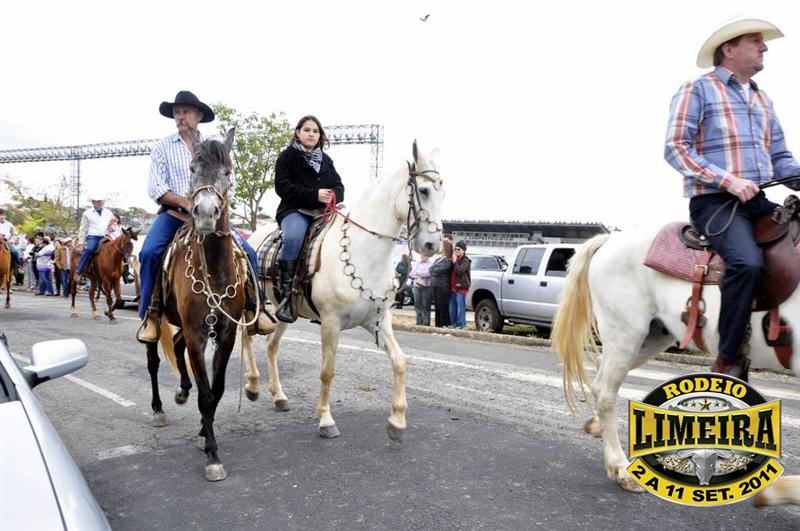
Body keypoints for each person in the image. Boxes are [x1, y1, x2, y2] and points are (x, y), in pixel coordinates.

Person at [664, 17, 800, 379]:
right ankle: (727, 358)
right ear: (729, 49)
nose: (764, 47)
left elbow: (781, 158)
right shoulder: (697, 89)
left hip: (757, 202)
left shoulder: (762, 98)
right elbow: (676, 148)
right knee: (747, 263)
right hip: (716, 203)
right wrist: (729, 181)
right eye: (756, 40)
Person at [137, 90, 273, 342]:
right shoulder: (162, 147)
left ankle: (256, 308)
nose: (180, 117)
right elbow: (156, 188)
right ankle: (150, 316)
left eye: (186, 112)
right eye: (177, 112)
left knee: (249, 253)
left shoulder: (215, 148)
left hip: (212, 215)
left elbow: (228, 181)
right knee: (149, 253)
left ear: (198, 115)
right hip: (175, 215)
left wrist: (213, 200)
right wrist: (186, 203)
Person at [273, 115, 345, 323]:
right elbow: (282, 187)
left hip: (323, 213)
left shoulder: (326, 160)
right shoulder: (287, 156)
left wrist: (333, 195)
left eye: (315, 131)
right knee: (294, 238)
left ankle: (329, 296)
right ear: (298, 132)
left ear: (320, 135)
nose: (311, 134)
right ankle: (286, 295)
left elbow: (339, 186)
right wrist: (315, 195)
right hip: (295, 210)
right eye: (307, 130)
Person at [75, 196, 115, 279]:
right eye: (97, 201)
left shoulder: (109, 212)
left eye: (100, 201)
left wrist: (112, 227)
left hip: (106, 237)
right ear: (93, 202)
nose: (99, 203)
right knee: (89, 249)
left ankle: (125, 272)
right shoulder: (87, 213)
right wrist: (81, 243)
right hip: (93, 237)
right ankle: (79, 270)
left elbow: (113, 223)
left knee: (118, 248)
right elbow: (83, 229)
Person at [429, 240, 454, 328]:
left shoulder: (449, 261)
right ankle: (437, 324)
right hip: (435, 285)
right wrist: (434, 269)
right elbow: (430, 269)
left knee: (442, 306)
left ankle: (444, 325)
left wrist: (434, 269)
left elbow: (440, 270)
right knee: (437, 307)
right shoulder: (438, 259)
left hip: (443, 286)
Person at [449, 240, 471, 328]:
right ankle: (453, 323)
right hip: (453, 287)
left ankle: (461, 325)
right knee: (452, 307)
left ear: (464, 251)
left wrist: (454, 262)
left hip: (461, 288)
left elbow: (460, 271)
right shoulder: (454, 260)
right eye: (455, 249)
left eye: (459, 249)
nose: (456, 251)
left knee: (460, 307)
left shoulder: (466, 261)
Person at [409, 253, 434, 326]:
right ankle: (419, 322)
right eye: (421, 254)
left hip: (427, 286)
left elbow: (428, 273)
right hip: (417, 286)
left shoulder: (431, 263)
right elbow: (411, 274)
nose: (422, 256)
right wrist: (421, 274)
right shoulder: (417, 263)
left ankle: (426, 323)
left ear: (428, 255)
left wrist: (418, 273)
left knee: (426, 305)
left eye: (424, 254)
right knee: (417, 304)